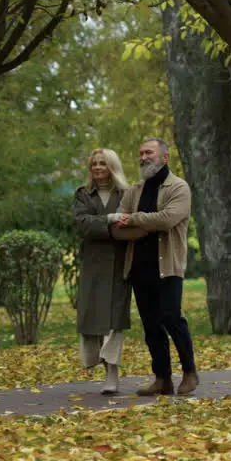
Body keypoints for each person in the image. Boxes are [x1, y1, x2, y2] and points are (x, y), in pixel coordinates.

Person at [111, 138, 200, 396]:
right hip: (139, 267)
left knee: (171, 318)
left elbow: (167, 219)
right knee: (151, 326)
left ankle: (189, 372)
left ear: (164, 157)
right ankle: (162, 379)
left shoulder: (178, 187)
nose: (143, 157)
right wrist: (135, 226)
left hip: (167, 267)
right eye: (140, 153)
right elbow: (117, 228)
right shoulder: (135, 190)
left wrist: (135, 220)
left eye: (148, 152)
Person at [72, 149, 133, 395]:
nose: (97, 168)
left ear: (112, 167)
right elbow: (81, 224)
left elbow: (133, 220)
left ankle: (112, 372)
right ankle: (95, 362)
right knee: (92, 318)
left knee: (114, 320)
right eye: (94, 164)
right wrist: (110, 219)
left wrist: (117, 222)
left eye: (103, 163)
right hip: (93, 265)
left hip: (121, 264)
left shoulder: (127, 194)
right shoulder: (83, 194)